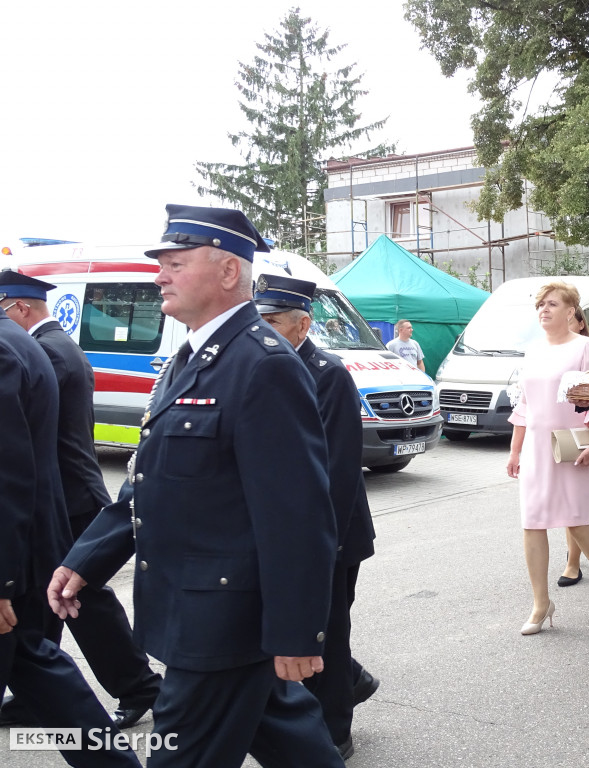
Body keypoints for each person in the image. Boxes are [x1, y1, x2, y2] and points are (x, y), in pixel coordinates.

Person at [48, 205, 344, 768]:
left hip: (221, 624)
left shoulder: (263, 365)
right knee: (293, 743)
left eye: (176, 264)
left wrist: (297, 632)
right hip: (197, 611)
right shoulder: (189, 358)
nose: (160, 276)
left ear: (228, 271)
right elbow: (149, 482)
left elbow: (297, 515)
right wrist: (85, 560)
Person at [0, 272, 162, 731]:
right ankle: (37, 689)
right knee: (51, 602)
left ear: (20, 307)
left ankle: (138, 685)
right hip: (68, 490)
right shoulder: (55, 344)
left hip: (67, 495)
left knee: (78, 597)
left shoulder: (45, 349)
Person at [255, 274, 379, 760]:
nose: (260, 331)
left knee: (326, 631)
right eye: (257, 321)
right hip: (291, 530)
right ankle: (354, 680)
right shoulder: (268, 366)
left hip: (331, 533)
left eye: (271, 322)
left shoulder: (327, 374)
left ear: (302, 325)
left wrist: (319, 547)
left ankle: (334, 732)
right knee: (302, 626)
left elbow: (337, 473)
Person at [506, 281, 589, 635]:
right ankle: (541, 603)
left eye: (552, 304)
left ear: (571, 311)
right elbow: (525, 405)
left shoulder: (584, 347)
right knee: (532, 522)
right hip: (536, 447)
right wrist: (515, 450)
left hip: (572, 446)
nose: (544, 309)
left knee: (577, 522)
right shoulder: (533, 350)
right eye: (541, 305)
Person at [559, 305, 589, 589]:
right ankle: (576, 557)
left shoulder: (587, 349)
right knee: (563, 503)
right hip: (554, 431)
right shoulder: (549, 349)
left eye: (570, 321)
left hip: (578, 430)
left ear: (581, 324)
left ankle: (573, 563)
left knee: (574, 505)